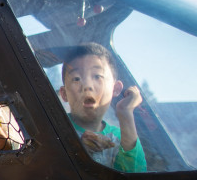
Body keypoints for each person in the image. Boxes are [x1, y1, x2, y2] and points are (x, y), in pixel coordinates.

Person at [59, 42, 147, 172]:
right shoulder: (55, 130)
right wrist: (78, 151)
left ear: (116, 89)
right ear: (64, 93)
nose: (87, 85)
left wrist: (126, 113)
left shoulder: (120, 136)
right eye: (77, 79)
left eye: (97, 76)